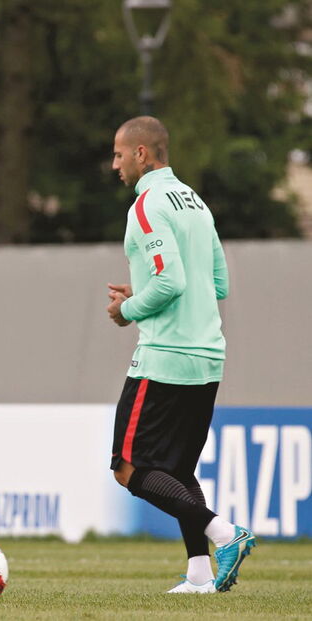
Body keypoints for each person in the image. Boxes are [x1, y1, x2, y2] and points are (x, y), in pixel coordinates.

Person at [107, 116, 255, 594]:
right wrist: (145, 289)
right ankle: (199, 575)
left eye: (119, 155)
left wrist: (128, 308)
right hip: (207, 356)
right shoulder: (194, 201)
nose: (115, 165)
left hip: (164, 357)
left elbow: (170, 281)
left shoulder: (147, 204)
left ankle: (224, 534)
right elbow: (218, 283)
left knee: (128, 468)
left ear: (142, 154)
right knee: (178, 471)